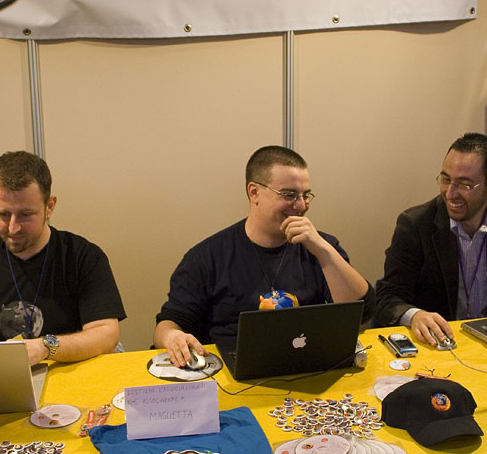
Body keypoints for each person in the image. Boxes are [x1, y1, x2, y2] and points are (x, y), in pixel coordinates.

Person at [154, 145, 373, 367]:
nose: (300, 205)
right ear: (254, 192)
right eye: (289, 195)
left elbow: (362, 312)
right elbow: (169, 324)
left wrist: (324, 251)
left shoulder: (321, 248)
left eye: (305, 195)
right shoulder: (206, 257)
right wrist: (173, 337)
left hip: (309, 365)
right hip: (233, 375)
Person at [0, 151, 126, 365]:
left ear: (49, 206)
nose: (13, 227)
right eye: (3, 214)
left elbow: (106, 334)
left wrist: (44, 347)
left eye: (25, 214)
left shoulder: (83, 257)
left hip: (70, 375)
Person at [374, 132, 487, 346]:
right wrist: (414, 315)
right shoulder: (416, 225)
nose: (450, 193)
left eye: (464, 184)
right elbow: (387, 297)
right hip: (439, 346)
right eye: (445, 180)